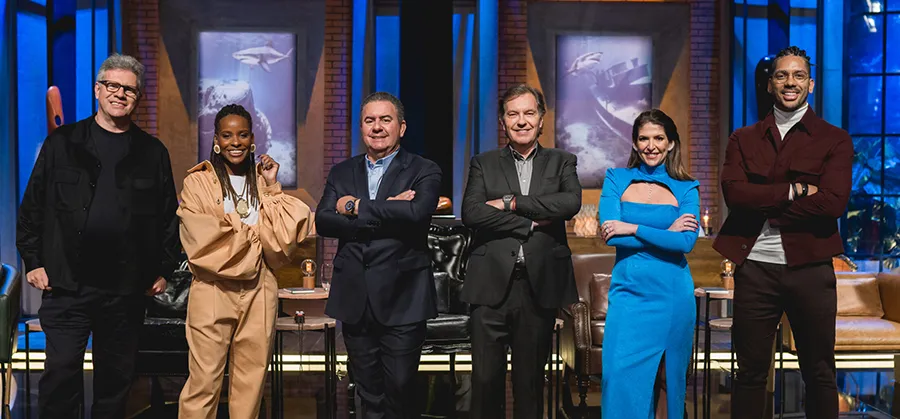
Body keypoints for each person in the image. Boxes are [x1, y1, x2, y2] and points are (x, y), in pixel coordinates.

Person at [16, 53, 180, 419]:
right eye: (112, 86)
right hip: (66, 285)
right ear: (97, 90)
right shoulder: (63, 143)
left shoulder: (153, 153)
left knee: (115, 385)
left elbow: (168, 218)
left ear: (138, 98)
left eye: (129, 90)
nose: (120, 94)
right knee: (60, 377)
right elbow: (33, 207)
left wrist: (164, 269)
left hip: (125, 290)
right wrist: (34, 261)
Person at [714, 45, 852, 419]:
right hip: (755, 269)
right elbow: (734, 194)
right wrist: (795, 190)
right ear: (770, 84)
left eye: (798, 75)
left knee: (819, 372)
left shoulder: (835, 139)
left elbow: (833, 203)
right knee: (749, 373)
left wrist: (765, 205)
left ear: (810, 84)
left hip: (811, 269)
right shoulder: (742, 138)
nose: (790, 82)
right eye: (782, 75)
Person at [177, 104, 313, 418]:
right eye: (227, 135)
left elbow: (282, 242)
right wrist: (256, 235)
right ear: (216, 140)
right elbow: (203, 241)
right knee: (203, 383)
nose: (235, 142)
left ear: (252, 139)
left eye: (242, 135)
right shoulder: (198, 183)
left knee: (250, 384)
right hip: (212, 289)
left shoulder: (262, 182)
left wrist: (273, 186)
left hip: (259, 289)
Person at [316, 91, 442, 418]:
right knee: (368, 393)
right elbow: (324, 221)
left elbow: (416, 213)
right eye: (369, 120)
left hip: (403, 297)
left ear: (402, 127)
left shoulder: (424, 169)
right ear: (361, 127)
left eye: (385, 120)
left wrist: (354, 207)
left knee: (400, 389)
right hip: (355, 297)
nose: (377, 127)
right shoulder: (342, 172)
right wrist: (388, 209)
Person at [461, 84, 582, 418]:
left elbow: (568, 203)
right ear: (502, 121)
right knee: (485, 384)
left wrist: (509, 203)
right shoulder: (483, 163)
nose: (521, 121)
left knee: (529, 386)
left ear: (541, 119)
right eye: (513, 114)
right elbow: (472, 213)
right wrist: (528, 223)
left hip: (538, 286)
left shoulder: (562, 161)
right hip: (489, 285)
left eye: (529, 113)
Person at [598, 109, 700, 418]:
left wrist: (632, 228)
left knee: (668, 381)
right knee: (617, 377)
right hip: (628, 295)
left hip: (672, 296)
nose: (651, 146)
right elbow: (610, 235)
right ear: (634, 142)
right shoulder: (616, 179)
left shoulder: (687, 187)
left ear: (671, 143)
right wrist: (665, 231)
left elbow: (685, 243)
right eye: (644, 138)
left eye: (659, 138)